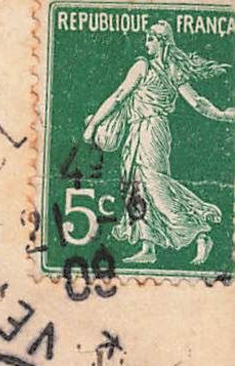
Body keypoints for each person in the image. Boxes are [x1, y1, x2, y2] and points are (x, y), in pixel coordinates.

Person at [83, 21, 234, 265]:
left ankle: (200, 232)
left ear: (161, 41)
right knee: (137, 187)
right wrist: (221, 114)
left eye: (150, 39)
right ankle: (148, 246)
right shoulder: (173, 69)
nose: (146, 44)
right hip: (144, 130)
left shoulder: (143, 66)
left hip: (150, 131)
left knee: (154, 186)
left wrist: (92, 125)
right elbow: (198, 103)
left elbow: (119, 96)